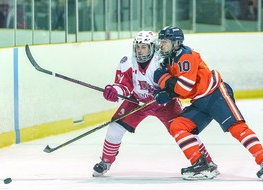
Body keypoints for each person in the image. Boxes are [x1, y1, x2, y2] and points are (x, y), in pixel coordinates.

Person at [92, 31, 219, 178]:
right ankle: (105, 162)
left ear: (152, 47)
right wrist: (114, 91)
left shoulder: (163, 60)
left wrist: (169, 93)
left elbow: (175, 85)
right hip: (137, 101)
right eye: (138, 47)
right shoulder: (127, 61)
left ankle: (207, 162)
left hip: (164, 104)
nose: (140, 50)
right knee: (115, 128)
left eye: (144, 47)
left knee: (183, 130)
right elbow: (123, 85)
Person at [153, 26, 263, 180]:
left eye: (164, 42)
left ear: (176, 42)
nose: (161, 45)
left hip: (215, 95)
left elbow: (183, 88)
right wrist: (165, 93)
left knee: (236, 128)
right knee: (178, 126)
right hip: (199, 101)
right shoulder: (168, 59)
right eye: (161, 41)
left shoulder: (186, 56)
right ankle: (201, 163)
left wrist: (163, 81)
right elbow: (178, 88)